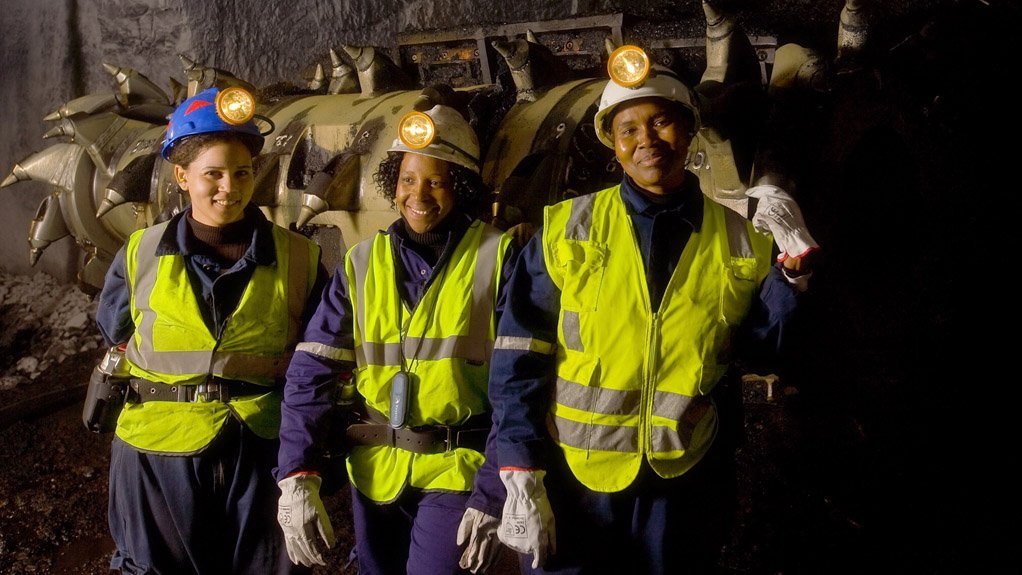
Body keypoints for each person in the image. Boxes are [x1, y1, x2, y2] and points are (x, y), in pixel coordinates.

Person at [487, 45, 819, 574]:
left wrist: (791, 276)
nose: (647, 142)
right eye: (629, 130)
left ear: (687, 132)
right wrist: (518, 467)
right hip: (577, 477)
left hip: (683, 479)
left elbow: (761, 349)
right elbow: (518, 357)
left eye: (661, 123)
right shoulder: (567, 229)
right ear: (612, 147)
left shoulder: (740, 237)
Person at [274, 96, 519, 574]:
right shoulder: (362, 262)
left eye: (435, 181)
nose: (418, 194)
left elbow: (517, 386)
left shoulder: (499, 256)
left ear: (461, 186)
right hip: (375, 471)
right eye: (408, 179)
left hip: (457, 467)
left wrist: (496, 489)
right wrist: (296, 474)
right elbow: (313, 369)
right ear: (392, 181)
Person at [95, 86, 326, 574]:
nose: (230, 187)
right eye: (213, 174)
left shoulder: (300, 257)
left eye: (242, 173)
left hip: (259, 448)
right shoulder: (139, 253)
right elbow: (114, 326)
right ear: (182, 176)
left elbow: (319, 356)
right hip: (157, 455)